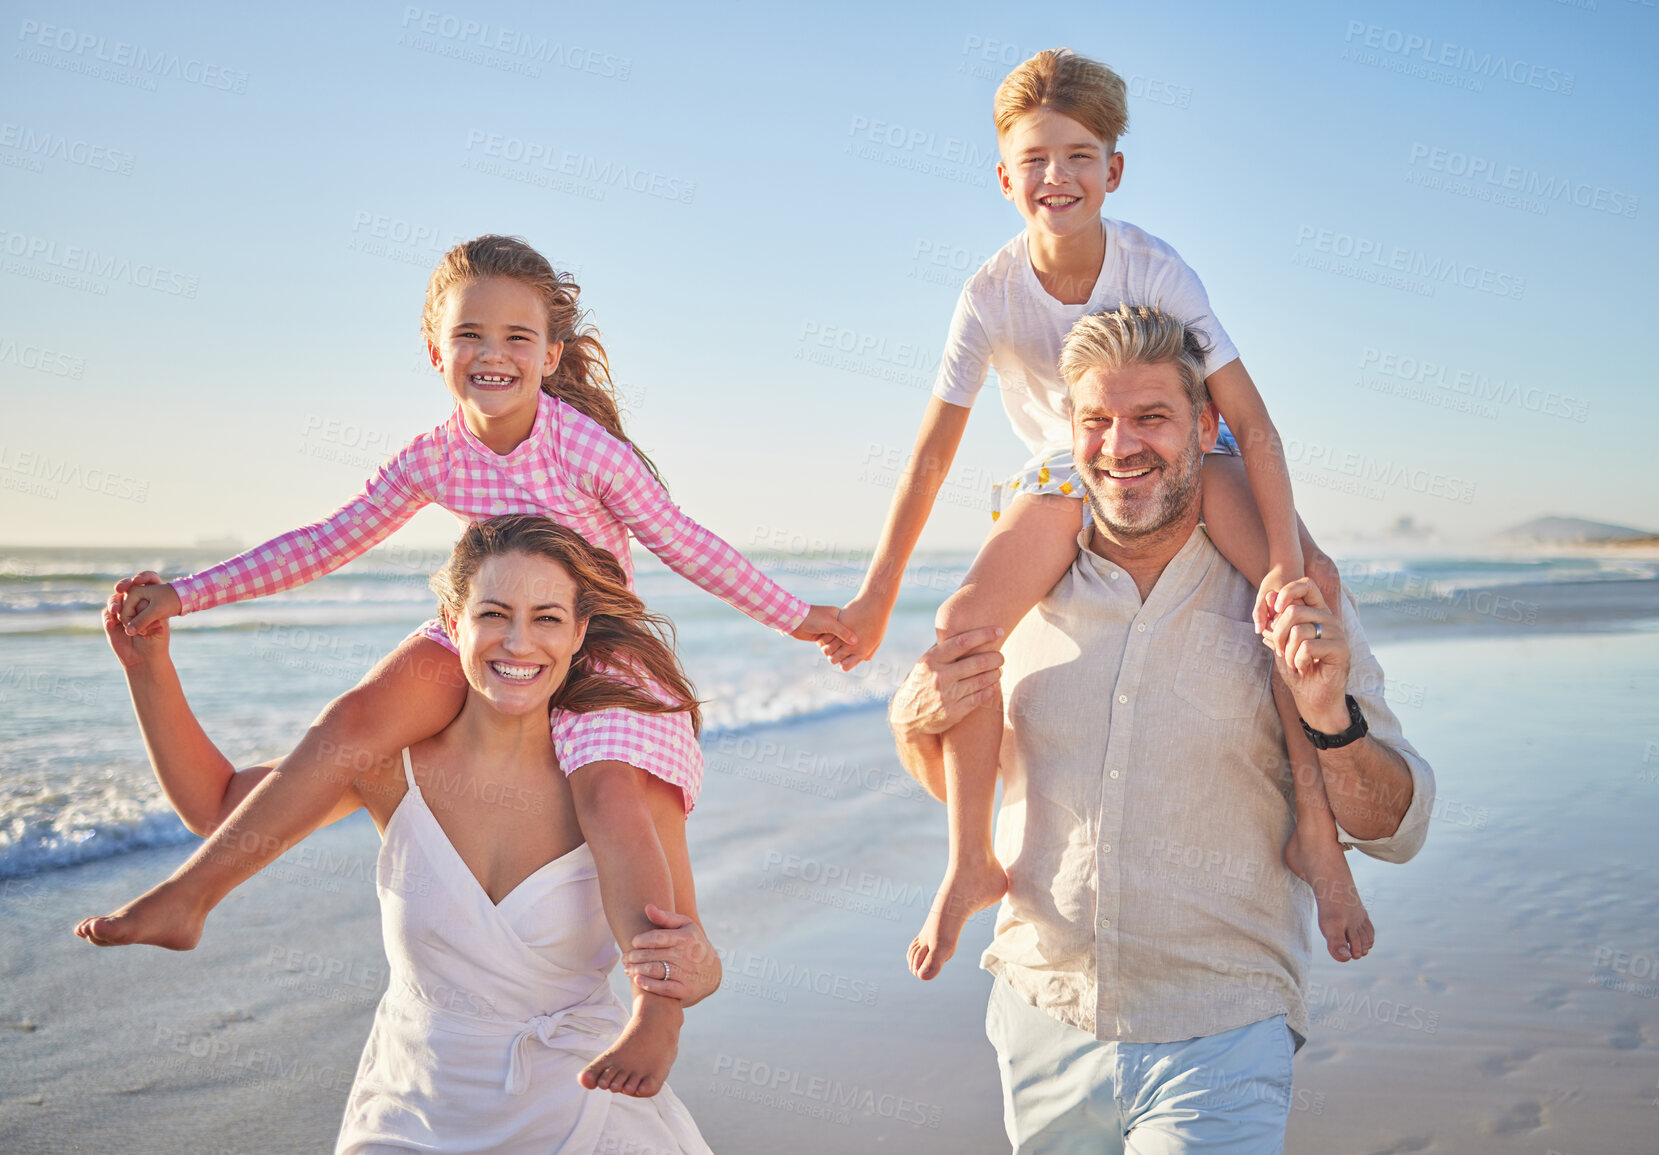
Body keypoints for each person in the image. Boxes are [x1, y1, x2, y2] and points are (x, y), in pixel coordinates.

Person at [81, 234, 855, 1095]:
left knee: (608, 788)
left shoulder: (584, 448)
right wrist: (184, 598)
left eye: (517, 337)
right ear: (434, 350)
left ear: (550, 354)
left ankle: (656, 1011)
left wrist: (802, 616)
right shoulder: (433, 454)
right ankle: (190, 897)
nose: (493, 355)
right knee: (353, 720)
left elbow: (684, 541)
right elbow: (327, 541)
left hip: (598, 632)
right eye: (470, 335)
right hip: (483, 628)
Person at [829, 49, 1365, 981]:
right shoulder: (989, 293)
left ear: (1112, 170)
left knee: (1295, 596)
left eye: (1079, 155)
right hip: (1064, 468)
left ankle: (1316, 836)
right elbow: (931, 454)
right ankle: (967, 862)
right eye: (1034, 159)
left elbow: (1249, 418)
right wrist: (876, 598)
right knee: (961, 626)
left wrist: (1282, 556)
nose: (1056, 177)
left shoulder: (1156, 270)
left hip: (1198, 453)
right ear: (1004, 177)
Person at [889, 306, 1436, 1151]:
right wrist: (914, 717)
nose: (1120, 446)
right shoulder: (1018, 594)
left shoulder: (1290, 600)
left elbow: (1397, 827)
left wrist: (1331, 719)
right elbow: (973, 777)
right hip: (1041, 1016)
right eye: (1097, 421)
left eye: (1151, 418)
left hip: (1220, 1027)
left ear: (1205, 426)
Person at [83, 515, 720, 1151]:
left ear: (579, 632)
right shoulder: (389, 769)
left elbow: (688, 959)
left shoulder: (627, 788)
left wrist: (696, 975)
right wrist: (149, 669)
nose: (519, 643)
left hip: (588, 1107)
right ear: (452, 625)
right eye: (494, 614)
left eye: (547, 618)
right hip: (410, 1116)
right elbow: (220, 810)